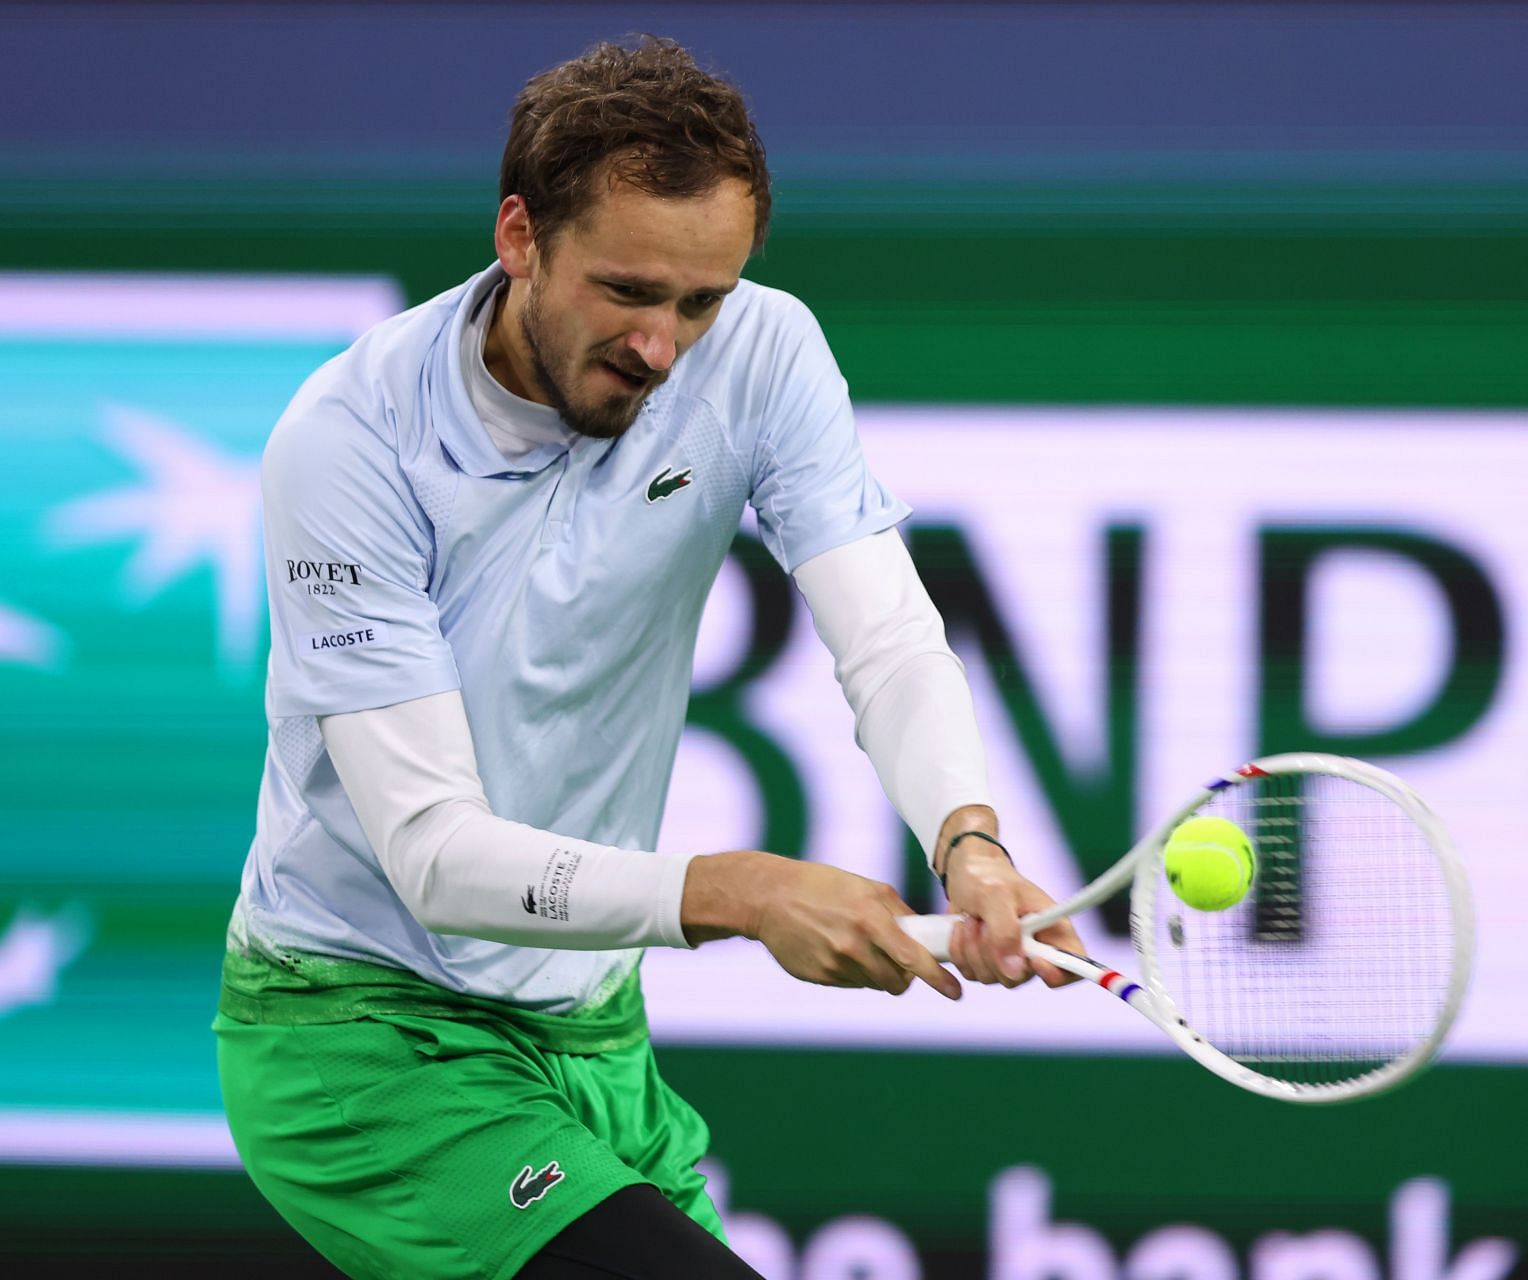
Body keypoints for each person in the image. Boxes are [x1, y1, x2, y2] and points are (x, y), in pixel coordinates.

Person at [213, 35, 1083, 1280]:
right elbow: (435, 856)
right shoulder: (351, 444)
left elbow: (887, 639)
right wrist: (741, 892)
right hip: (362, 1033)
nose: (664, 346)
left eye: (701, 300)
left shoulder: (764, 353)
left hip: (594, 1031)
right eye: (627, 291)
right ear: (520, 235)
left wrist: (969, 839)